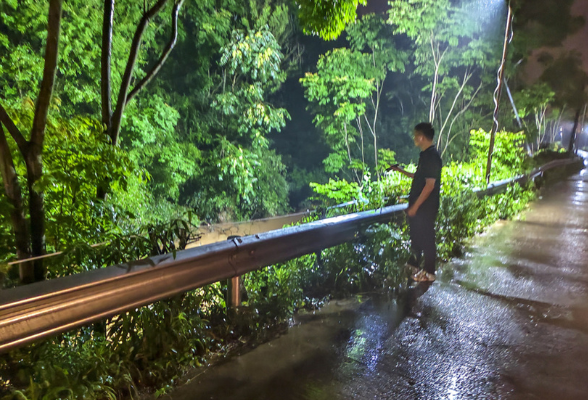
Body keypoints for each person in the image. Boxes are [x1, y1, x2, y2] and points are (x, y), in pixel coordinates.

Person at [388, 123, 442, 282]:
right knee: (417, 236)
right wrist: (400, 170)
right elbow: (418, 177)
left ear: (421, 137)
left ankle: (429, 272)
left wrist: (415, 207)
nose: (414, 138)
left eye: (415, 134)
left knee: (427, 238)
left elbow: (429, 185)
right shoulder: (425, 155)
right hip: (420, 206)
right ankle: (415, 265)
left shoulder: (432, 156)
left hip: (426, 207)